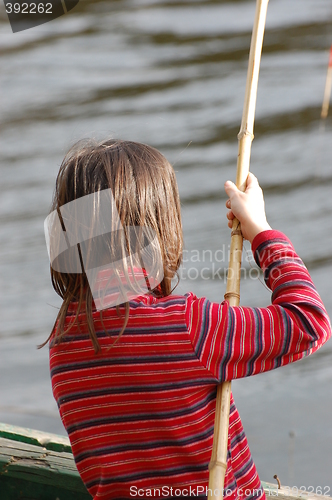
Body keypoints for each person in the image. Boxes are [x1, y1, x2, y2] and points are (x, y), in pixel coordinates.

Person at [45, 138, 331, 500]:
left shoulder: (63, 341)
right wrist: (260, 231)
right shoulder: (186, 326)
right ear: (161, 229)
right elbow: (308, 321)